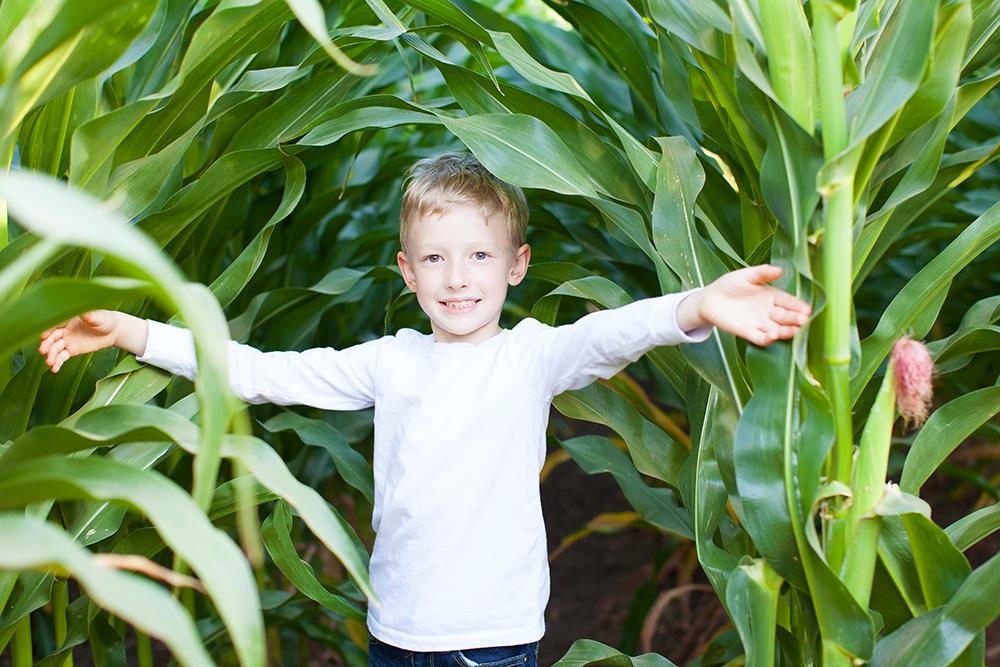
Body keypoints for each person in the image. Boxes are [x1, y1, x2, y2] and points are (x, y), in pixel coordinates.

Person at [38, 152, 810, 667]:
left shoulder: (530, 355)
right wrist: (135, 333)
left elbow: (610, 332)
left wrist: (698, 304)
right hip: (395, 635)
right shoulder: (391, 362)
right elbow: (257, 372)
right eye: (435, 258)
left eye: (479, 256)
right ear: (407, 272)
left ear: (517, 266)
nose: (457, 278)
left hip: (497, 640)